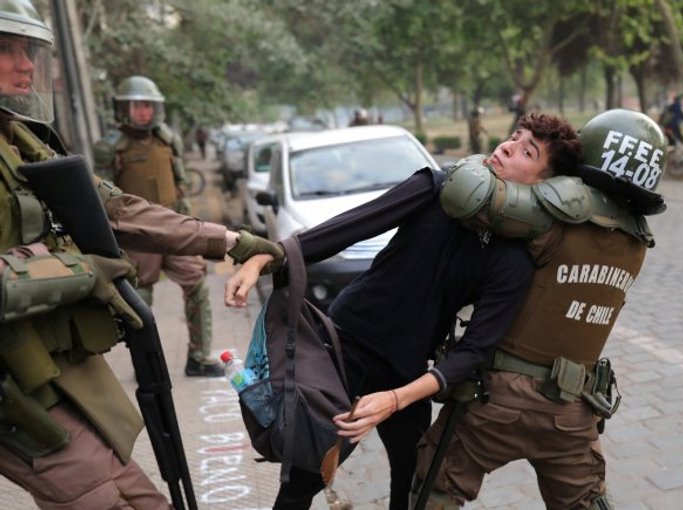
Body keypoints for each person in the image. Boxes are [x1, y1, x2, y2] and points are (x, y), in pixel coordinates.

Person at [0, 3, 282, 507]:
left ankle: (198, 354)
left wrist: (230, 240)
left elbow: (114, 205)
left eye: (27, 50)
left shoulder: (21, 139)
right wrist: (81, 270)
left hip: (50, 361)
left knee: (137, 488)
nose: (24, 64)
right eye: (6, 49)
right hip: (15, 381)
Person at [225, 113, 582, 509]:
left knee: (415, 485)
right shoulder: (437, 187)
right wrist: (265, 258)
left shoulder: (513, 261)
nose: (507, 146)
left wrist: (396, 399)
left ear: (542, 185)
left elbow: (475, 350)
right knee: (302, 479)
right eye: (513, 137)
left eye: (527, 151)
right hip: (341, 348)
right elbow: (349, 227)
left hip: (404, 372)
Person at [374, 109, 662, 509]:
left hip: (497, 403)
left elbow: (466, 192)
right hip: (573, 411)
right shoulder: (637, 241)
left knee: (434, 490)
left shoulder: (556, 216)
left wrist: (484, 159)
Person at [93, 75, 223, 377]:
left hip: (174, 226)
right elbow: (99, 195)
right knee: (141, 301)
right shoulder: (109, 148)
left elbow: (180, 182)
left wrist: (189, 218)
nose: (144, 113)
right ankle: (147, 364)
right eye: (138, 106)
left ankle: (200, 358)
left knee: (197, 285)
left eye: (149, 106)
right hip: (138, 233)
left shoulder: (167, 138)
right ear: (123, 108)